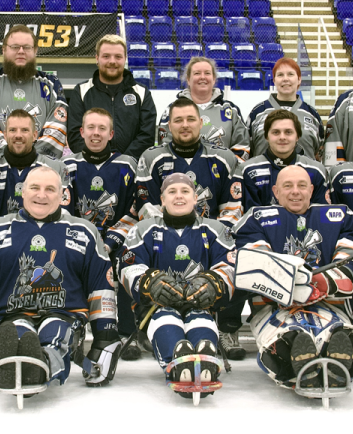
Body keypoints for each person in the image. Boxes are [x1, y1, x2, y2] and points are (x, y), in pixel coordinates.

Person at [0, 164, 118, 392]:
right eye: (35, 187)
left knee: (54, 334)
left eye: (50, 189)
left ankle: (38, 365)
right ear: (22, 191)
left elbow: (100, 289)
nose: (41, 195)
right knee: (15, 333)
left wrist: (105, 337)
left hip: (65, 315)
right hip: (12, 314)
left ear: (63, 194)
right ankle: (13, 360)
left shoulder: (85, 232)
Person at [233, 165, 353, 393]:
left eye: (301, 186)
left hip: (328, 304)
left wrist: (326, 281)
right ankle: (297, 362)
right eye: (287, 186)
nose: (295, 192)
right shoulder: (256, 218)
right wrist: (294, 282)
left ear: (312, 190)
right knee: (282, 336)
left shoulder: (339, 216)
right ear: (275, 192)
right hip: (273, 309)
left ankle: (335, 357)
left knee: (338, 330)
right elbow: (255, 259)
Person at [120, 173, 235, 398]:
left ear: (196, 199)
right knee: (166, 317)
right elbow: (127, 265)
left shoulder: (216, 229)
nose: (178, 196)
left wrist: (214, 282)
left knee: (200, 317)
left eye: (185, 191)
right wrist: (148, 282)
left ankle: (205, 363)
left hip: (201, 305)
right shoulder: (143, 229)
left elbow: (230, 264)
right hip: (155, 308)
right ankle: (178, 365)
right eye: (172, 192)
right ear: (162, 199)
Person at [63, 107, 142, 358]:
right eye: (91, 128)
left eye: (102, 129)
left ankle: (127, 334)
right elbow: (63, 211)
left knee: (130, 264)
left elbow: (135, 210)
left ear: (111, 134)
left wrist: (110, 241)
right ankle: (71, 331)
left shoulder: (127, 165)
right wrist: (86, 241)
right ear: (81, 131)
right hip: (78, 241)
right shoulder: (67, 166)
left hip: (119, 241)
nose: (95, 133)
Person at [136, 97, 242, 229]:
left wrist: (212, 238)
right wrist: (176, 237)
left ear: (201, 123)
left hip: (212, 242)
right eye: (178, 120)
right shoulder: (150, 158)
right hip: (165, 241)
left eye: (191, 119)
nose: (185, 125)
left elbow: (233, 212)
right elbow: (147, 210)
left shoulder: (225, 158)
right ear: (169, 125)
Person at [0, 25, 68, 159]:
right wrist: (11, 158)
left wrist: (32, 159)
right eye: (15, 47)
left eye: (27, 47)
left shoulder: (51, 83)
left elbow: (57, 128)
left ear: (35, 51)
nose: (21, 51)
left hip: (40, 171)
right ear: (4, 50)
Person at [64, 34, 156, 158]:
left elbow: (147, 135)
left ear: (125, 59)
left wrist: (125, 161)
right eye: (106, 56)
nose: (112, 61)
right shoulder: (81, 91)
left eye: (118, 57)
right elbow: (75, 134)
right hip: (90, 166)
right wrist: (98, 160)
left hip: (132, 166)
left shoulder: (142, 92)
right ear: (97, 58)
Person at [156, 56, 249, 159]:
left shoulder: (230, 110)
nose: (202, 77)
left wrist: (227, 170)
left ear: (214, 79)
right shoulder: (172, 110)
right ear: (188, 79)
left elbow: (242, 147)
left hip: (222, 174)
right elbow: (163, 149)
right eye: (197, 73)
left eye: (207, 73)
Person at [240, 109, 329, 211]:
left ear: (297, 136)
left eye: (288, 132)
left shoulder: (316, 171)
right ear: (266, 137)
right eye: (276, 132)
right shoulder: (247, 170)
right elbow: (247, 217)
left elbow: (321, 215)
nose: (282, 137)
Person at [0, 109, 46, 223]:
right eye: (12, 130)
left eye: (25, 130)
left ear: (35, 135)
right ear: (5, 135)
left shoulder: (53, 169)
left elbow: (59, 219)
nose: (18, 135)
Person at [248, 57, 324, 160]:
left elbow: (319, 153)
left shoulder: (312, 114)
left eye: (290, 74)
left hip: (303, 175)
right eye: (280, 75)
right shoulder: (257, 112)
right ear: (274, 80)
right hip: (264, 175)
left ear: (299, 79)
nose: (285, 79)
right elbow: (248, 148)